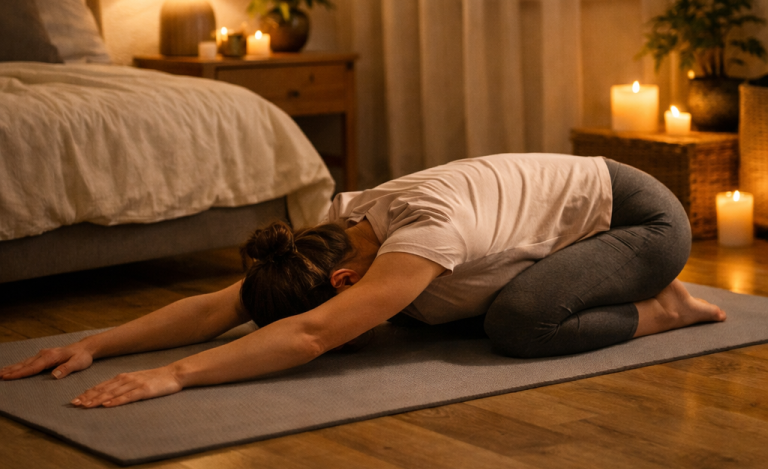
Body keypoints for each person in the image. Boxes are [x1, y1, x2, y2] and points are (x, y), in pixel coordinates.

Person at [0, 154, 725, 409]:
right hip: (565, 225)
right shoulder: (337, 227)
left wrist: (176, 379)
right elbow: (222, 306)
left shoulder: (424, 237)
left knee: (518, 324)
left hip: (640, 222)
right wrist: (100, 344)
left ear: (345, 277)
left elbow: (313, 332)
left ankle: (666, 308)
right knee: (424, 309)